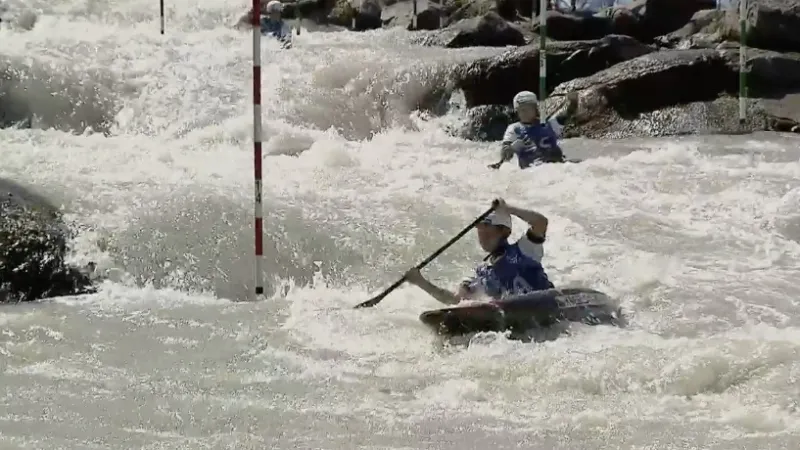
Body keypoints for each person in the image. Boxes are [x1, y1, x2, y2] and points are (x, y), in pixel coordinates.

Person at [404, 198, 553, 305]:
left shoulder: (524, 249)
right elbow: (456, 300)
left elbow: (540, 222)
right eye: (480, 232)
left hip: (546, 302)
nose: (483, 237)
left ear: (505, 231)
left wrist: (507, 209)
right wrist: (420, 282)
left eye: (488, 232)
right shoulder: (484, 273)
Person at [488, 90, 580, 170]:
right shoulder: (514, 129)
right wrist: (510, 149)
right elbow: (505, 148)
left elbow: (567, 114)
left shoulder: (548, 124)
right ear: (517, 112)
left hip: (556, 165)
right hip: (532, 168)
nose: (525, 113)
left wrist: (573, 102)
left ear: (535, 109)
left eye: (529, 109)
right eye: (522, 110)